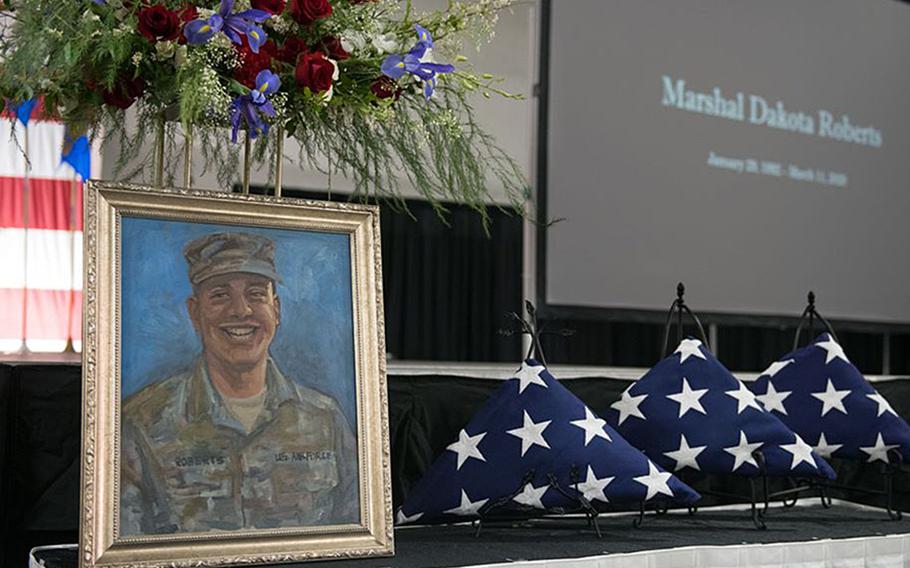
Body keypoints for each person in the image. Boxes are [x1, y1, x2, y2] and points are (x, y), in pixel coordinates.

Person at [120, 232, 359, 536]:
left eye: (256, 294)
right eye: (220, 295)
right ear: (195, 313)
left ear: (277, 309)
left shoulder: (325, 418)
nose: (241, 310)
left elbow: (353, 533)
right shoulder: (142, 422)